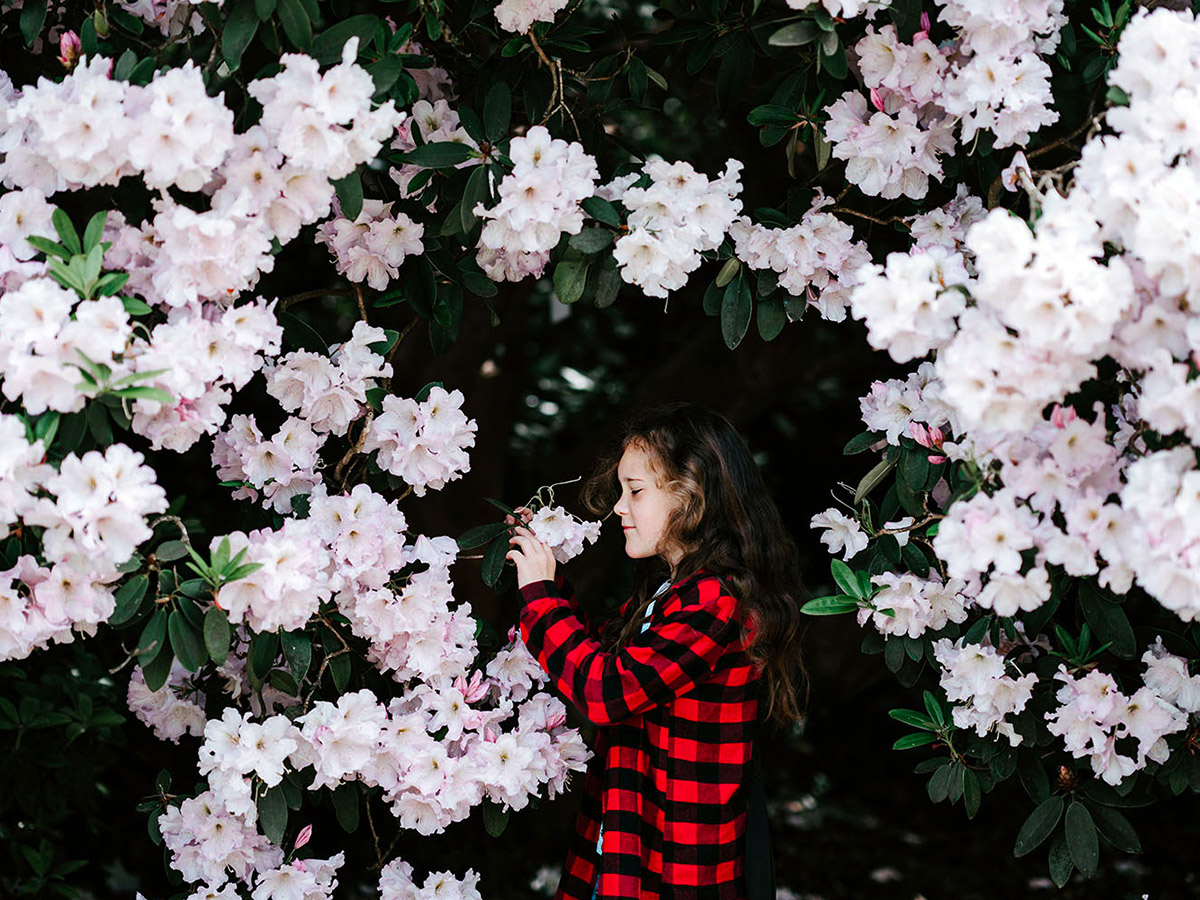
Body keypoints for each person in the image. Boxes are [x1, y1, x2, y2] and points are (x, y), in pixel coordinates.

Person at [506, 403, 805, 900]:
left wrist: (540, 596)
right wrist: (550, 581)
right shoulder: (671, 592)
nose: (619, 507)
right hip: (629, 844)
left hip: (674, 866)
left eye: (636, 491)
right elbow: (598, 657)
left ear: (692, 494)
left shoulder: (716, 598)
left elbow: (606, 690)